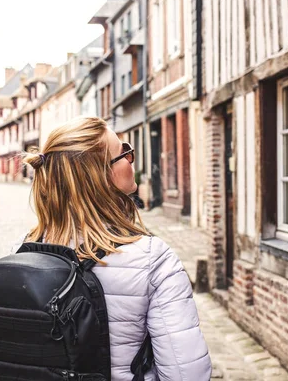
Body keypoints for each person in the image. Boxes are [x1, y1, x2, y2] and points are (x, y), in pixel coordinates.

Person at [14, 117, 212, 381]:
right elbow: (186, 374)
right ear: (102, 175)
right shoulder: (153, 258)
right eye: (125, 154)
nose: (131, 161)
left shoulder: (23, 252)